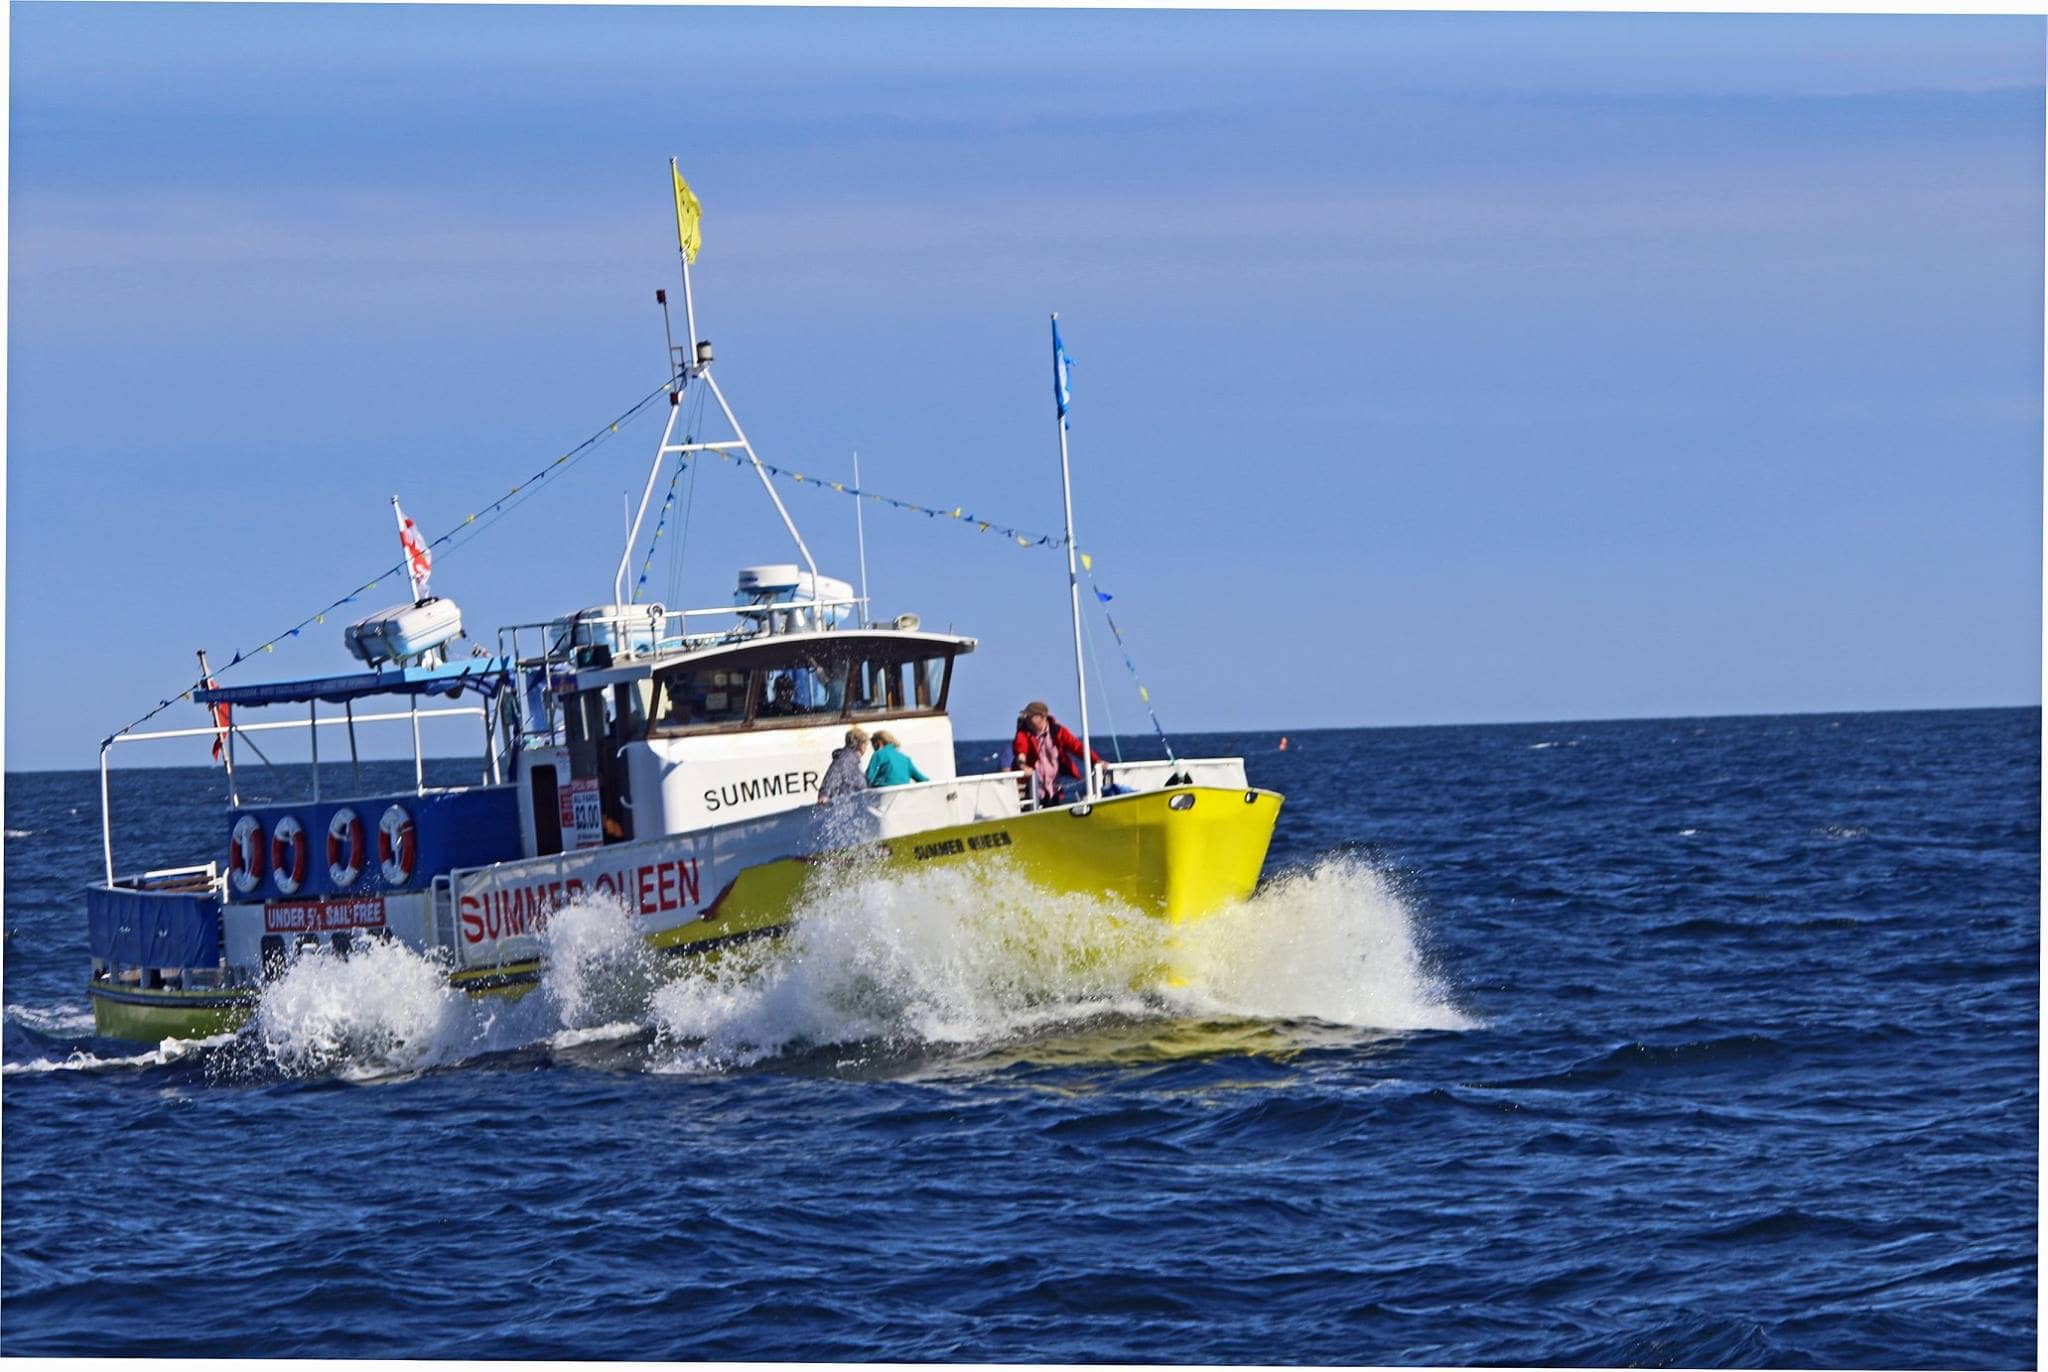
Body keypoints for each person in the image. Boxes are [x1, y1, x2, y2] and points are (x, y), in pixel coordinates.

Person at [1013, 700, 1103, 805]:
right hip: (1033, 788)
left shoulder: (1058, 731)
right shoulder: (1023, 734)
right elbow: (1020, 751)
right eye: (1026, 716)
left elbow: (1077, 747)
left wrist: (1097, 761)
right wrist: (1023, 766)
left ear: (1042, 717)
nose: (1027, 719)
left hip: (1055, 787)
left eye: (1031, 716)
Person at [817, 727, 871, 804]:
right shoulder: (845, 759)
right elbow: (833, 776)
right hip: (846, 806)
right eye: (866, 744)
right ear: (861, 745)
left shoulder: (853, 761)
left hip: (851, 804)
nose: (866, 747)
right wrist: (824, 794)